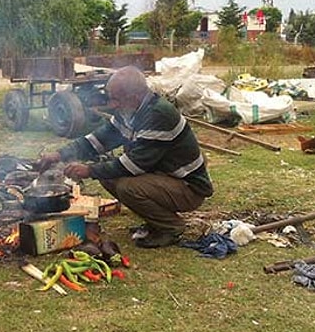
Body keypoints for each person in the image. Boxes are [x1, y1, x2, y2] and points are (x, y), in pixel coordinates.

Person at [38, 66, 213, 248]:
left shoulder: (157, 115)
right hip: (164, 177)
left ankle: (170, 227)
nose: (112, 104)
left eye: (116, 99)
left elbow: (133, 166)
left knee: (126, 187)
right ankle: (156, 220)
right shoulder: (130, 111)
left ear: (134, 97)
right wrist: (59, 155)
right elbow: (98, 140)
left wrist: (89, 170)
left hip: (188, 188)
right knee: (108, 175)